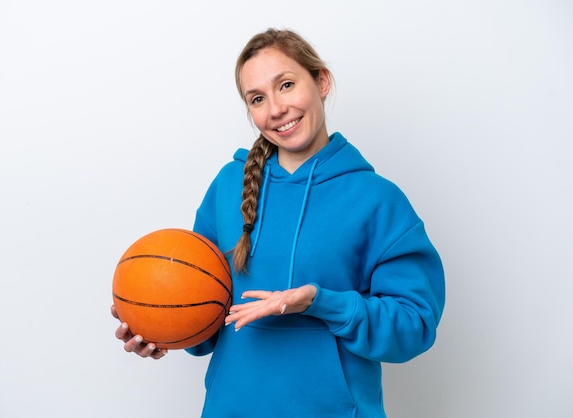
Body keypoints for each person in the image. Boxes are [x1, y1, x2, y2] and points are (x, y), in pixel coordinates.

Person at [112, 28, 445, 417]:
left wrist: (320, 302)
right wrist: (160, 322)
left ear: (321, 81)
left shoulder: (377, 199)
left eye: (286, 85)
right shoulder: (227, 186)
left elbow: (415, 325)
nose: (275, 109)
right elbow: (203, 311)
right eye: (257, 98)